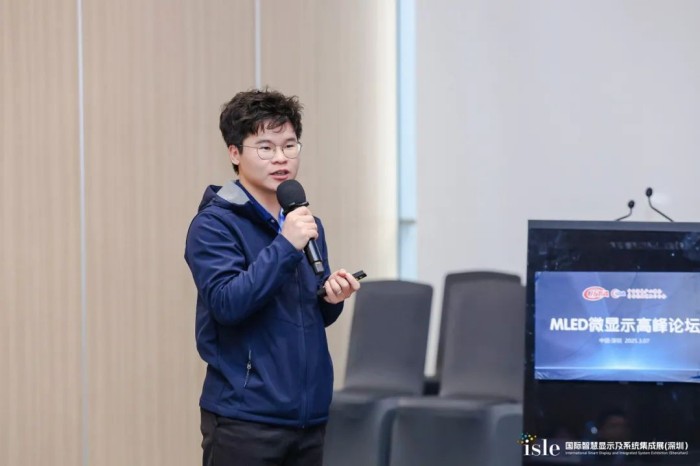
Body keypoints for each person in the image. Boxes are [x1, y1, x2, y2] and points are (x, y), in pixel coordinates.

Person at [184, 88, 361, 466]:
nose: (281, 157)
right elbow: (228, 304)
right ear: (235, 153)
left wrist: (331, 297)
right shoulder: (213, 225)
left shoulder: (305, 223)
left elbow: (308, 313)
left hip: (309, 418)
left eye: (289, 145)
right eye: (265, 147)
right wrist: (284, 245)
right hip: (244, 419)